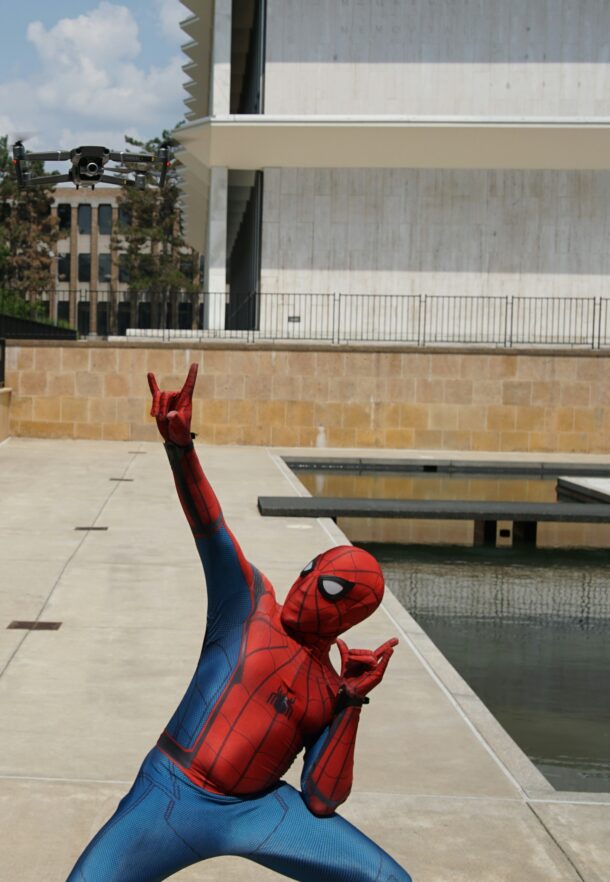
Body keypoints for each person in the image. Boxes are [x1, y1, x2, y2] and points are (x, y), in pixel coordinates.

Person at [66, 364, 409, 882]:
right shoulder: (249, 602)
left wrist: (351, 702)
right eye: (310, 570)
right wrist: (181, 448)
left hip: (257, 812)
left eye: (330, 589)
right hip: (172, 790)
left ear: (349, 616)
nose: (306, 586)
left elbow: (320, 798)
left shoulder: (326, 688)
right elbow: (210, 525)